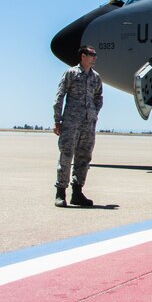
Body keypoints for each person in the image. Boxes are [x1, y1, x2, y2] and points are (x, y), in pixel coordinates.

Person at [53, 45, 103, 208]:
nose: (94, 57)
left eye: (95, 54)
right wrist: (57, 120)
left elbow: (99, 97)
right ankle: (60, 192)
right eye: (91, 54)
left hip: (89, 123)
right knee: (66, 155)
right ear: (83, 56)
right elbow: (60, 96)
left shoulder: (96, 77)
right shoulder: (71, 73)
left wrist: (94, 113)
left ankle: (77, 193)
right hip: (71, 122)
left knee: (84, 157)